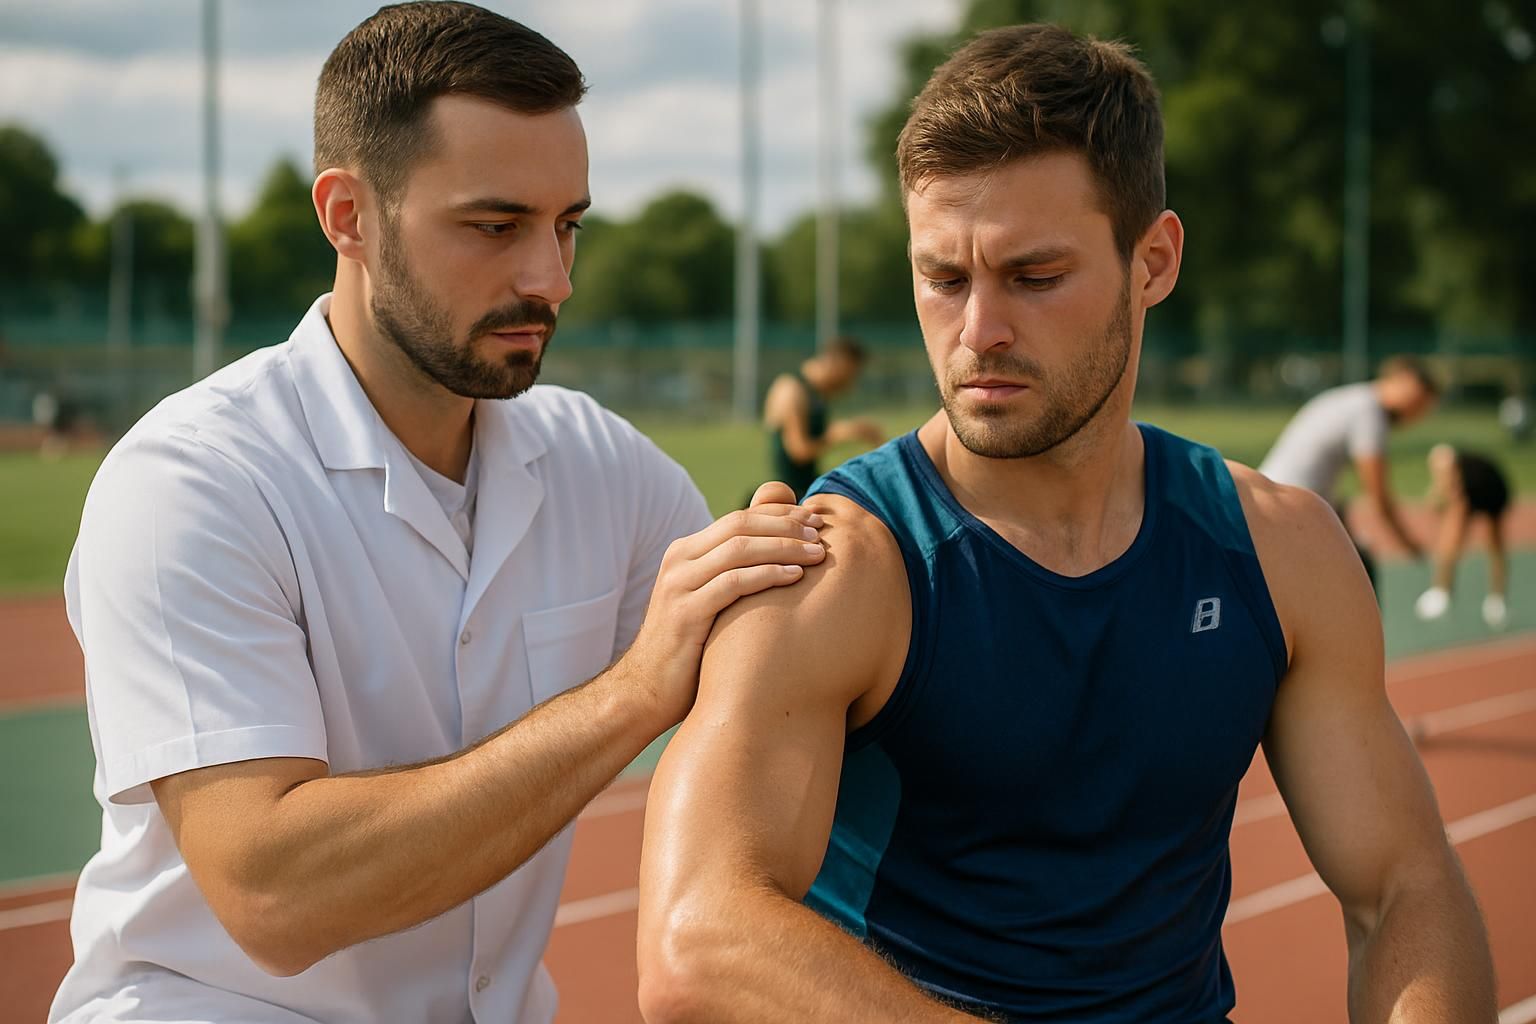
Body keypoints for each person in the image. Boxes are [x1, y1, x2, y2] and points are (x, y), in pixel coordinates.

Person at [635, 24, 1495, 1023]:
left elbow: (1405, 888)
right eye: (943, 280)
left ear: (1154, 261)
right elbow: (697, 941)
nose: (977, 333)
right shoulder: (840, 565)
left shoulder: (1277, 548)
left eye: (1035, 278)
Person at [49, 6, 826, 1023]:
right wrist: (633, 688)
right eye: (496, 226)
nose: (552, 278)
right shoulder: (192, 481)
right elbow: (275, 893)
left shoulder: (601, 464)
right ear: (348, 216)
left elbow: (776, 656)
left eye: (568, 225)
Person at [1259, 355, 1441, 584]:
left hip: (1282, 500)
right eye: (1420, 402)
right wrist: (1409, 544)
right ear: (1403, 380)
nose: (1416, 415)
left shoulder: (1356, 400)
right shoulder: (1370, 413)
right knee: (1356, 575)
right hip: (1288, 509)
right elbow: (1379, 497)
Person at [762, 335, 885, 500]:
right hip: (789, 493)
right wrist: (838, 435)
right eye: (850, 375)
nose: (850, 385)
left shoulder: (816, 392)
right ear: (838, 364)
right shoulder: (793, 390)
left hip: (808, 484)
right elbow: (798, 450)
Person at [1414, 444, 1514, 629]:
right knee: (1450, 540)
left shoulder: (1457, 472)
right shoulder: (1450, 469)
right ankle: (1441, 591)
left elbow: (1443, 496)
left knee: (1495, 545)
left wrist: (1437, 500)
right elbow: (1439, 496)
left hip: (1493, 491)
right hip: (1469, 493)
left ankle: (1496, 599)